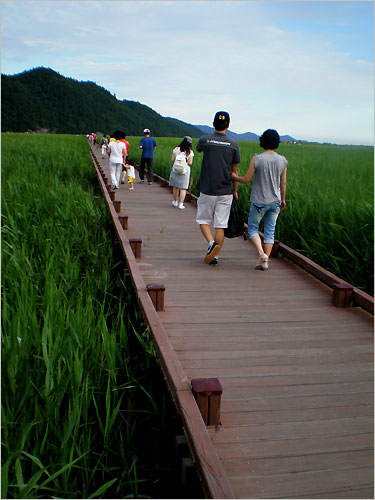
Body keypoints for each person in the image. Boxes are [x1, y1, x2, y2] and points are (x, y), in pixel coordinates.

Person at [231, 129, 287, 270]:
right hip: (275, 202)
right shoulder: (282, 160)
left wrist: (234, 177)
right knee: (270, 232)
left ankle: (262, 254)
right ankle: (265, 261)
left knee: (253, 229)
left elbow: (246, 179)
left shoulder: (257, 158)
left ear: (262, 141)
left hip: (259, 201)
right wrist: (283, 199)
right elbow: (283, 183)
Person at [195, 111, 240, 265]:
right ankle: (215, 255)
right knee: (220, 225)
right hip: (226, 190)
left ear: (213, 124)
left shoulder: (205, 140)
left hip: (207, 188)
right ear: (228, 125)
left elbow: (198, 149)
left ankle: (211, 244)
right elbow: (235, 171)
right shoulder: (233, 144)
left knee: (203, 220)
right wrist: (235, 190)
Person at [169, 136, 194, 209]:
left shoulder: (176, 149)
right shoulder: (190, 152)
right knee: (183, 188)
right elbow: (190, 163)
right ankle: (181, 204)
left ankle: (175, 201)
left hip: (175, 169)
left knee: (175, 186)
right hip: (185, 171)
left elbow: (172, 159)